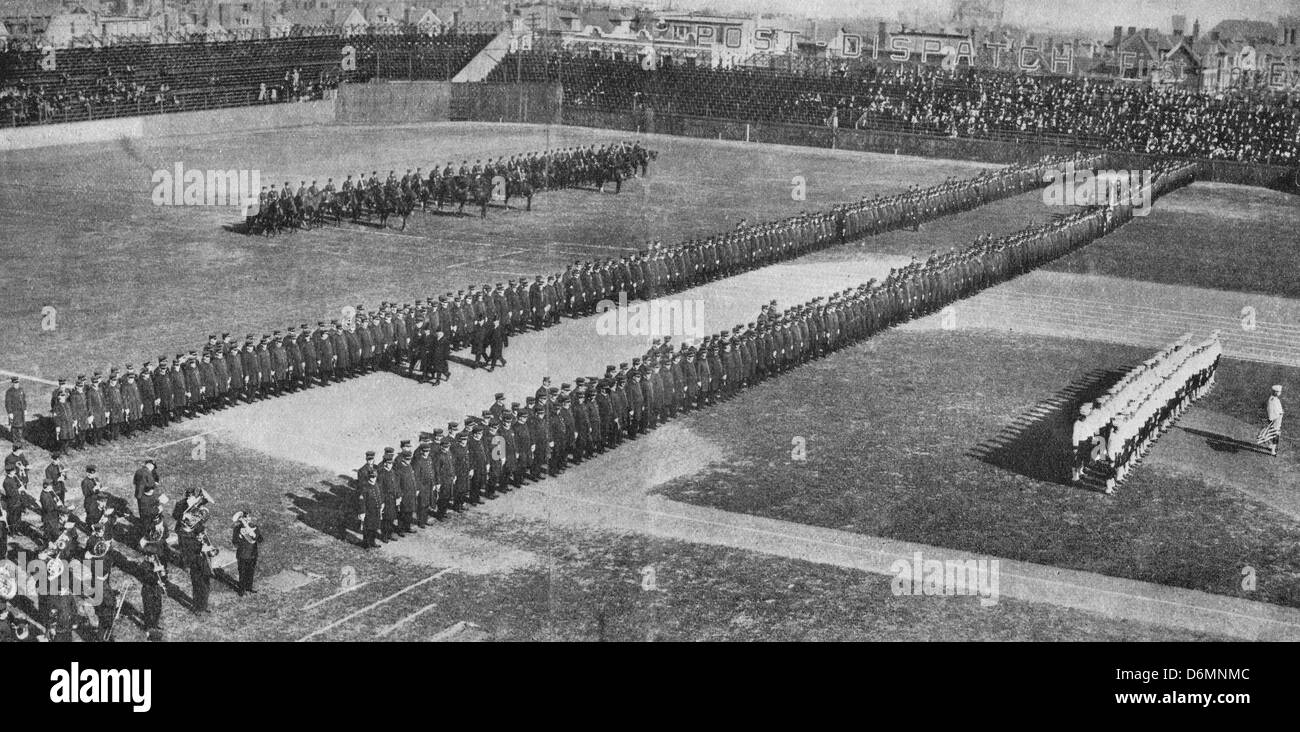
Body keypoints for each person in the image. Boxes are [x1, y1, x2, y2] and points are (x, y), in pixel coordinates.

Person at [231, 510, 263, 595]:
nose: (247, 519)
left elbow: (260, 539)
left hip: (252, 554)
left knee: (250, 572)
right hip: (242, 554)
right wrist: (240, 538)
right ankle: (241, 589)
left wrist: (254, 535)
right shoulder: (237, 529)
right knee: (242, 572)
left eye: (248, 517)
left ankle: (249, 587)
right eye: (245, 518)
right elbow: (234, 542)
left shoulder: (254, 526)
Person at [1258, 385, 1284, 457]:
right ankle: (1273, 451)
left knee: (1272, 433)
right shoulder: (1272, 400)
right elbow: (1271, 411)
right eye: (1279, 392)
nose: (1280, 393)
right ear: (1275, 392)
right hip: (1275, 420)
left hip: (1276, 419)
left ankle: (1270, 446)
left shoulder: (1274, 399)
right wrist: (1277, 416)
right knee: (1275, 434)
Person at [4, 377, 25, 445]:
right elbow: (8, 403)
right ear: (12, 383)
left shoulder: (21, 390)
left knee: (21, 425)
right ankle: (15, 440)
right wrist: (10, 412)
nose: (17, 384)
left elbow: (24, 400)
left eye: (17, 382)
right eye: (15, 383)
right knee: (15, 426)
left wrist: (25, 409)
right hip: (14, 412)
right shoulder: (9, 392)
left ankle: (20, 438)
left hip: (21, 411)